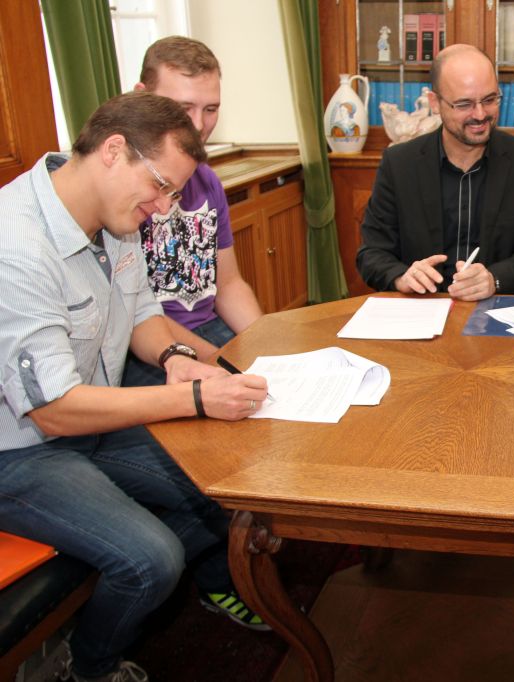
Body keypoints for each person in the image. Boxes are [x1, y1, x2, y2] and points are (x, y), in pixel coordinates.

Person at [0, 92, 270, 682]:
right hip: (20, 452)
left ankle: (111, 588)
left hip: (92, 422)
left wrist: (174, 355)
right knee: (151, 560)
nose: (165, 205)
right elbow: (53, 412)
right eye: (161, 186)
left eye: (175, 192)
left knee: (220, 487)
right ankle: (88, 667)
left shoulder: (115, 214)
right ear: (113, 151)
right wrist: (193, 397)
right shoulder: (16, 247)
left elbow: (143, 312)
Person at [356, 44, 514, 300]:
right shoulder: (400, 164)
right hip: (422, 310)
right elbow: (371, 253)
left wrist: (494, 279)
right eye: (464, 104)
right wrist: (401, 276)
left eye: (489, 99)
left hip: (500, 311)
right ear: (435, 102)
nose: (480, 114)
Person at [124, 36, 263, 387]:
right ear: (142, 96)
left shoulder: (207, 182)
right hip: (145, 349)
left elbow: (229, 285)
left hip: (208, 326)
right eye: (182, 108)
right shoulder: (122, 189)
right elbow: (136, 316)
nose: (198, 125)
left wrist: (265, 345)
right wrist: (220, 363)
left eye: (211, 109)